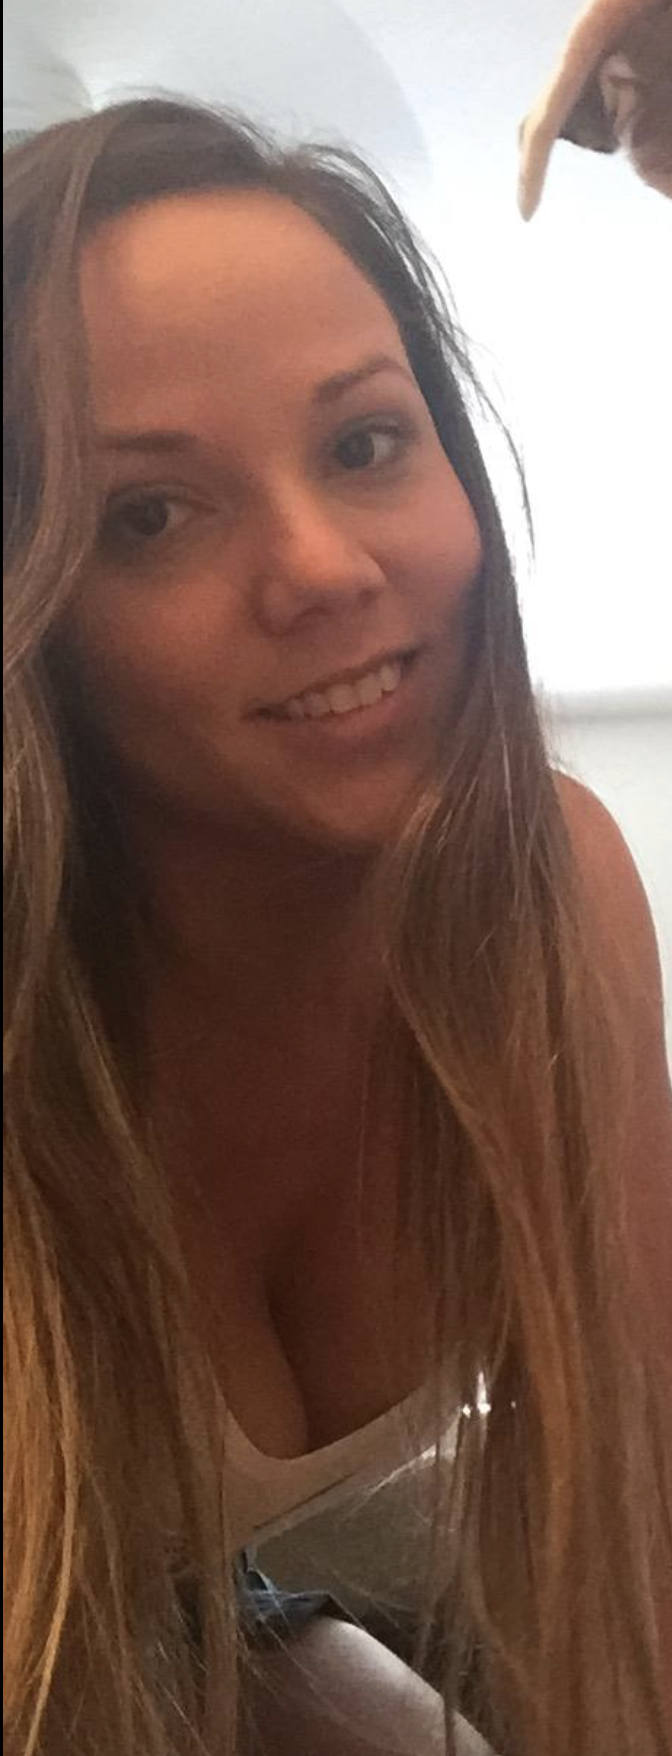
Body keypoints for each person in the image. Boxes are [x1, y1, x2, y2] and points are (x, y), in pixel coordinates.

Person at [3, 97, 671, 1756]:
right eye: (152, 514)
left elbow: (638, 1523)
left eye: (366, 443)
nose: (322, 568)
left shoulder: (550, 899)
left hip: (226, 1606)